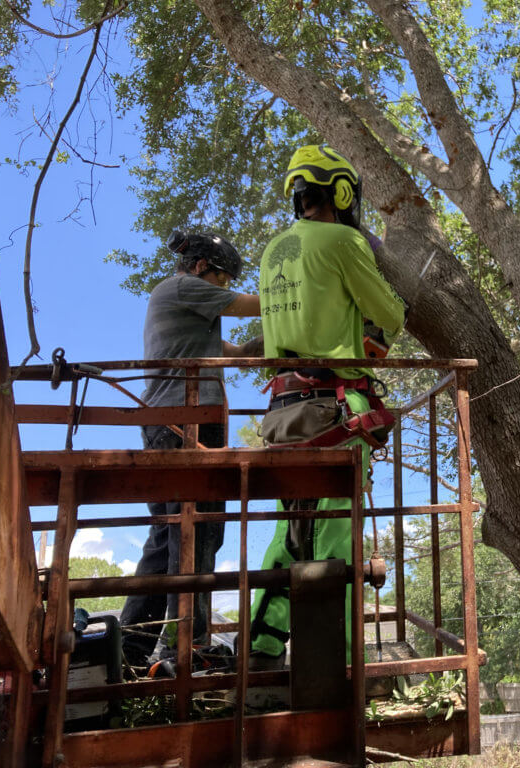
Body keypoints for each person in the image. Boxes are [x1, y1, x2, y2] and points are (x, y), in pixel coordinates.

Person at [249, 144, 405, 663]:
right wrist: (374, 328)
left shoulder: (273, 250)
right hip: (330, 410)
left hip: (280, 414)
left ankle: (263, 650)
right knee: (336, 537)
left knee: (288, 535)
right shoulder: (342, 240)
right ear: (341, 192)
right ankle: (334, 663)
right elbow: (390, 312)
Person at [120, 230, 262, 669]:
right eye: (222, 279)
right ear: (202, 267)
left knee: (167, 536)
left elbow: (236, 353)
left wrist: (265, 348)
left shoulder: (184, 308)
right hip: (188, 419)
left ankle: (131, 645)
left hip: (166, 423)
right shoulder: (183, 287)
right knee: (198, 530)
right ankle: (191, 645)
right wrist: (296, 294)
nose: (222, 289)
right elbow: (250, 305)